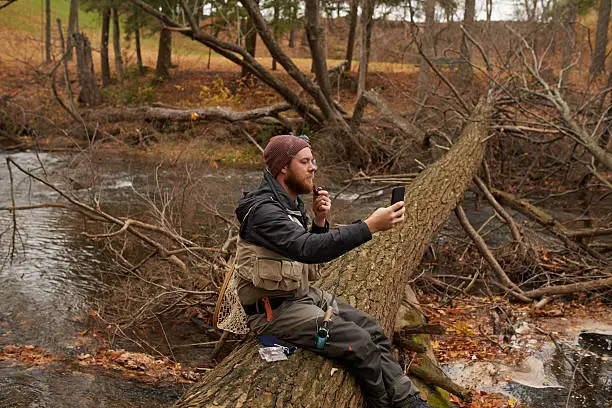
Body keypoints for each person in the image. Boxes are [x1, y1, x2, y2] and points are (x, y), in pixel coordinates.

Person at [234, 134, 432, 408]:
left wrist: (320, 221)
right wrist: (370, 226)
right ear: (283, 167)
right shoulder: (264, 211)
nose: (313, 167)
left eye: (312, 161)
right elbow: (307, 249)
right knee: (360, 342)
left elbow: (303, 255)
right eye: (305, 162)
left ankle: (408, 400)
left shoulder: (289, 202)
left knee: (372, 329)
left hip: (300, 295)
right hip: (273, 311)